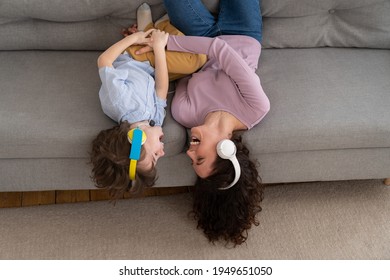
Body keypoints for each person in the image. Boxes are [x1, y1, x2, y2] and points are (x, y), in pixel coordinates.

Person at [137, 0, 270, 245]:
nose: (189, 152)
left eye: (191, 161)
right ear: (224, 150)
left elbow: (185, 73)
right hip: (243, 32)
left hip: (199, 38)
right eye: (199, 158)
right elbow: (221, 50)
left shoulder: (184, 113)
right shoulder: (255, 108)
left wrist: (148, 45)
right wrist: (169, 42)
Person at [90, 3, 206, 199]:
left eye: (154, 155)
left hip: (134, 58)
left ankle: (150, 28)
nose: (161, 154)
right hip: (151, 68)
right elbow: (161, 87)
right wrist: (159, 48)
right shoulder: (155, 121)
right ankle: (154, 32)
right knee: (197, 59)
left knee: (197, 59)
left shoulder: (121, 102)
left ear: (137, 139)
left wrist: (134, 39)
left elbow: (104, 62)